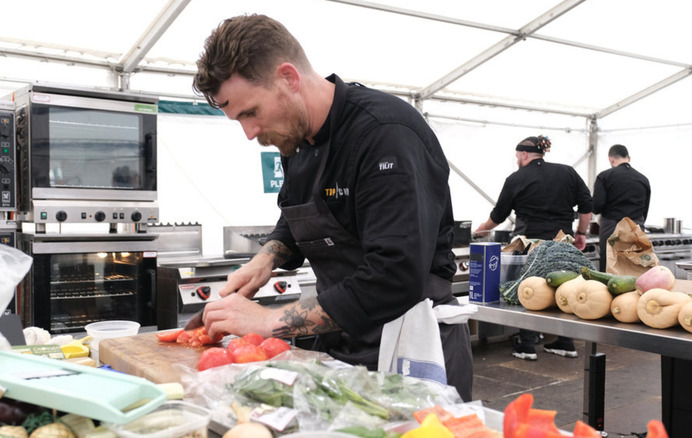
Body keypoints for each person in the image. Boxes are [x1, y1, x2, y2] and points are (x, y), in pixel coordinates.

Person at [192, 14, 473, 401]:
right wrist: (265, 259)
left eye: (250, 112)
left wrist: (271, 320)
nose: (249, 132)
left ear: (288, 78)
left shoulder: (385, 134)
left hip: (409, 345)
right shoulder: (296, 140)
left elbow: (394, 275)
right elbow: (296, 214)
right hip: (340, 343)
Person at [473, 135, 593, 360]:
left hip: (530, 244)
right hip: (562, 242)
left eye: (517, 156)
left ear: (524, 154)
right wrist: (581, 234)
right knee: (563, 290)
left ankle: (527, 345)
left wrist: (479, 231)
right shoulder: (567, 172)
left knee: (529, 290)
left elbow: (498, 216)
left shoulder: (516, 178)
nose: (517, 160)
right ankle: (566, 342)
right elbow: (587, 206)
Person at [592, 144, 651, 271]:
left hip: (612, 228)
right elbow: (645, 210)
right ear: (628, 158)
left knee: (610, 268)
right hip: (636, 227)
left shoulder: (605, 177)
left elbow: (597, 206)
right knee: (634, 267)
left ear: (611, 159)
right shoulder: (643, 179)